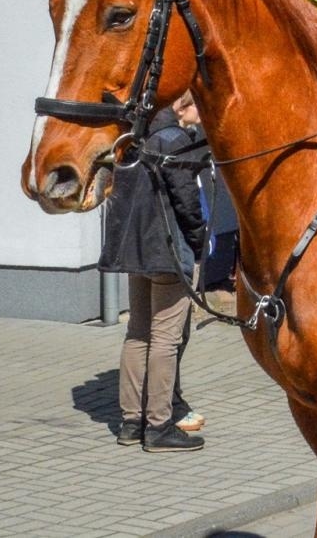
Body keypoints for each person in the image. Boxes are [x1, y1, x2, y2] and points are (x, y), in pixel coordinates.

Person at [100, 92, 208, 452]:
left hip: (135, 251)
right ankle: (159, 425)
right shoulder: (175, 141)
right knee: (166, 338)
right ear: (180, 105)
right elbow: (187, 202)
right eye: (197, 105)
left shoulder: (134, 137)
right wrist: (198, 241)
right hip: (167, 251)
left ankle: (130, 423)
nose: (202, 113)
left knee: (137, 333)